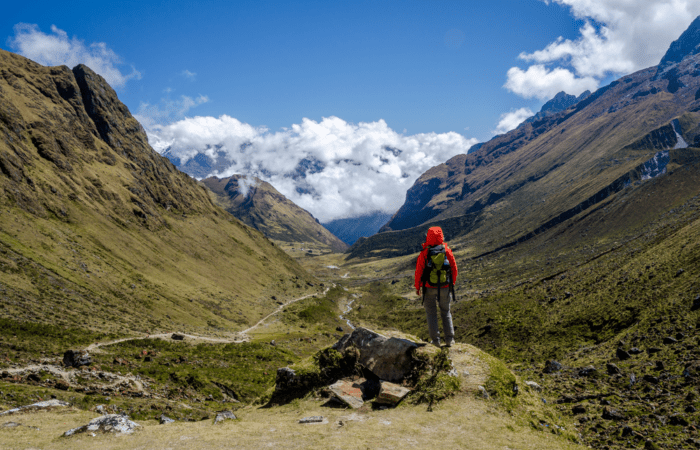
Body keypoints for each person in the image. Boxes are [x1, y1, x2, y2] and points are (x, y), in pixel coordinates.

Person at [414, 226, 457, 347]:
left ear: (428, 237)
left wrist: (418, 287)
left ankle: (436, 341)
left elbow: (418, 272)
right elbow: (454, 268)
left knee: (431, 313)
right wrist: (451, 283)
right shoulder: (447, 251)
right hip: (444, 287)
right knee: (446, 311)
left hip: (428, 288)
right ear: (441, 236)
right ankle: (450, 340)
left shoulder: (425, 253)